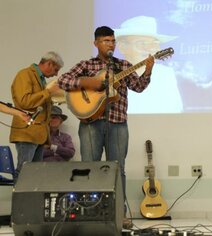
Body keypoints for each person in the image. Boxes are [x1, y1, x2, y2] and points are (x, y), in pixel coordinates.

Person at [57, 26, 154, 228]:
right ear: (96, 43)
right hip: (90, 123)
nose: (111, 44)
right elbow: (63, 80)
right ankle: (88, 213)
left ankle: (119, 215)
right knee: (89, 168)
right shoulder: (87, 64)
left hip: (118, 123)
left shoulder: (122, 65)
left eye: (112, 41)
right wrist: (90, 83)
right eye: (106, 41)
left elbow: (138, 87)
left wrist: (148, 70)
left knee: (118, 169)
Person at [10, 51, 64, 178]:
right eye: (56, 69)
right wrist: (48, 92)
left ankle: (31, 198)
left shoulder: (40, 79)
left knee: (35, 174)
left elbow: (38, 102)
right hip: (27, 132)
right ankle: (21, 198)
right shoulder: (25, 74)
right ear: (49, 64)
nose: (56, 74)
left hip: (38, 134)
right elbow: (24, 102)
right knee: (24, 171)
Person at [114, 15, 183, 113]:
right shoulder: (107, 75)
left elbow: (175, 113)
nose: (149, 49)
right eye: (141, 43)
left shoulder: (166, 75)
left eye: (154, 44)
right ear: (122, 47)